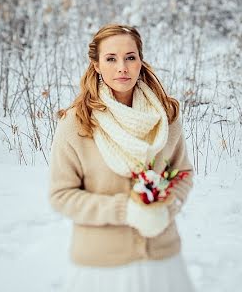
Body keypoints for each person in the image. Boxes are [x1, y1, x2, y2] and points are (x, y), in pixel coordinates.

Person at [49, 24, 195, 292]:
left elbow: (183, 174)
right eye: (111, 59)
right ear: (96, 65)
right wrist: (126, 211)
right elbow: (62, 195)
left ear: (140, 60)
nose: (122, 68)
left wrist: (163, 209)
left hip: (162, 261)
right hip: (102, 268)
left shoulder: (165, 118)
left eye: (130, 57)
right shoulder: (76, 124)